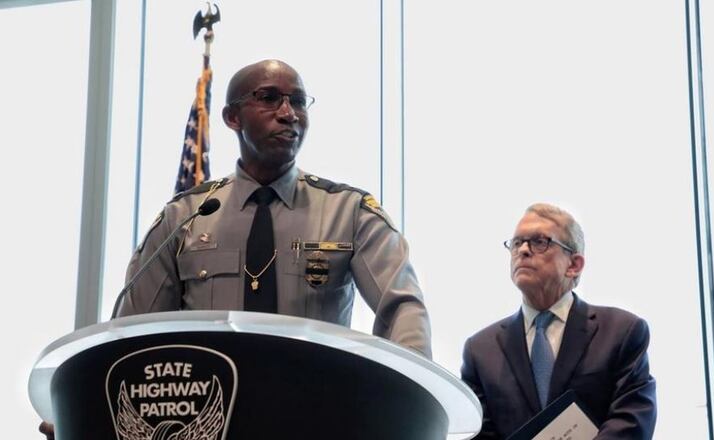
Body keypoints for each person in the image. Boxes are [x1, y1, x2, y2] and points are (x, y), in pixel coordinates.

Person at [38, 58, 432, 438]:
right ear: (232, 117)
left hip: (316, 418)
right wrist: (85, 408)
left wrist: (414, 400)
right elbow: (132, 333)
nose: (289, 113)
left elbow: (402, 308)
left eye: (297, 101)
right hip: (209, 422)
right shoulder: (187, 216)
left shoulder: (348, 212)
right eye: (269, 98)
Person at [461, 203, 656, 439]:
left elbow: (631, 422)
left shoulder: (622, 332)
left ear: (573, 265)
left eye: (539, 242)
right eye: (516, 243)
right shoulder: (480, 351)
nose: (523, 250)